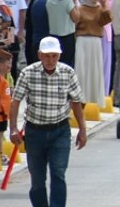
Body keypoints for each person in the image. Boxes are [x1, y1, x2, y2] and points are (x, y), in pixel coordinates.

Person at [10, 36, 89, 207]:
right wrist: (13, 129)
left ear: (59, 56)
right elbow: (15, 101)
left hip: (60, 131)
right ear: (39, 55)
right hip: (34, 132)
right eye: (46, 56)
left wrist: (83, 130)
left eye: (54, 56)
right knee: (37, 179)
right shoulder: (28, 73)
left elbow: (76, 102)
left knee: (58, 173)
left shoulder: (68, 73)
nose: (50, 60)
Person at [69, 0, 112, 108]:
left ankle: (95, 99)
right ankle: (80, 99)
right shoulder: (80, 8)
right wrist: (74, 1)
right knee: (82, 70)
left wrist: (103, 6)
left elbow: (106, 20)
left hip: (96, 42)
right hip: (82, 41)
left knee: (95, 70)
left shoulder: (99, 9)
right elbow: (76, 20)